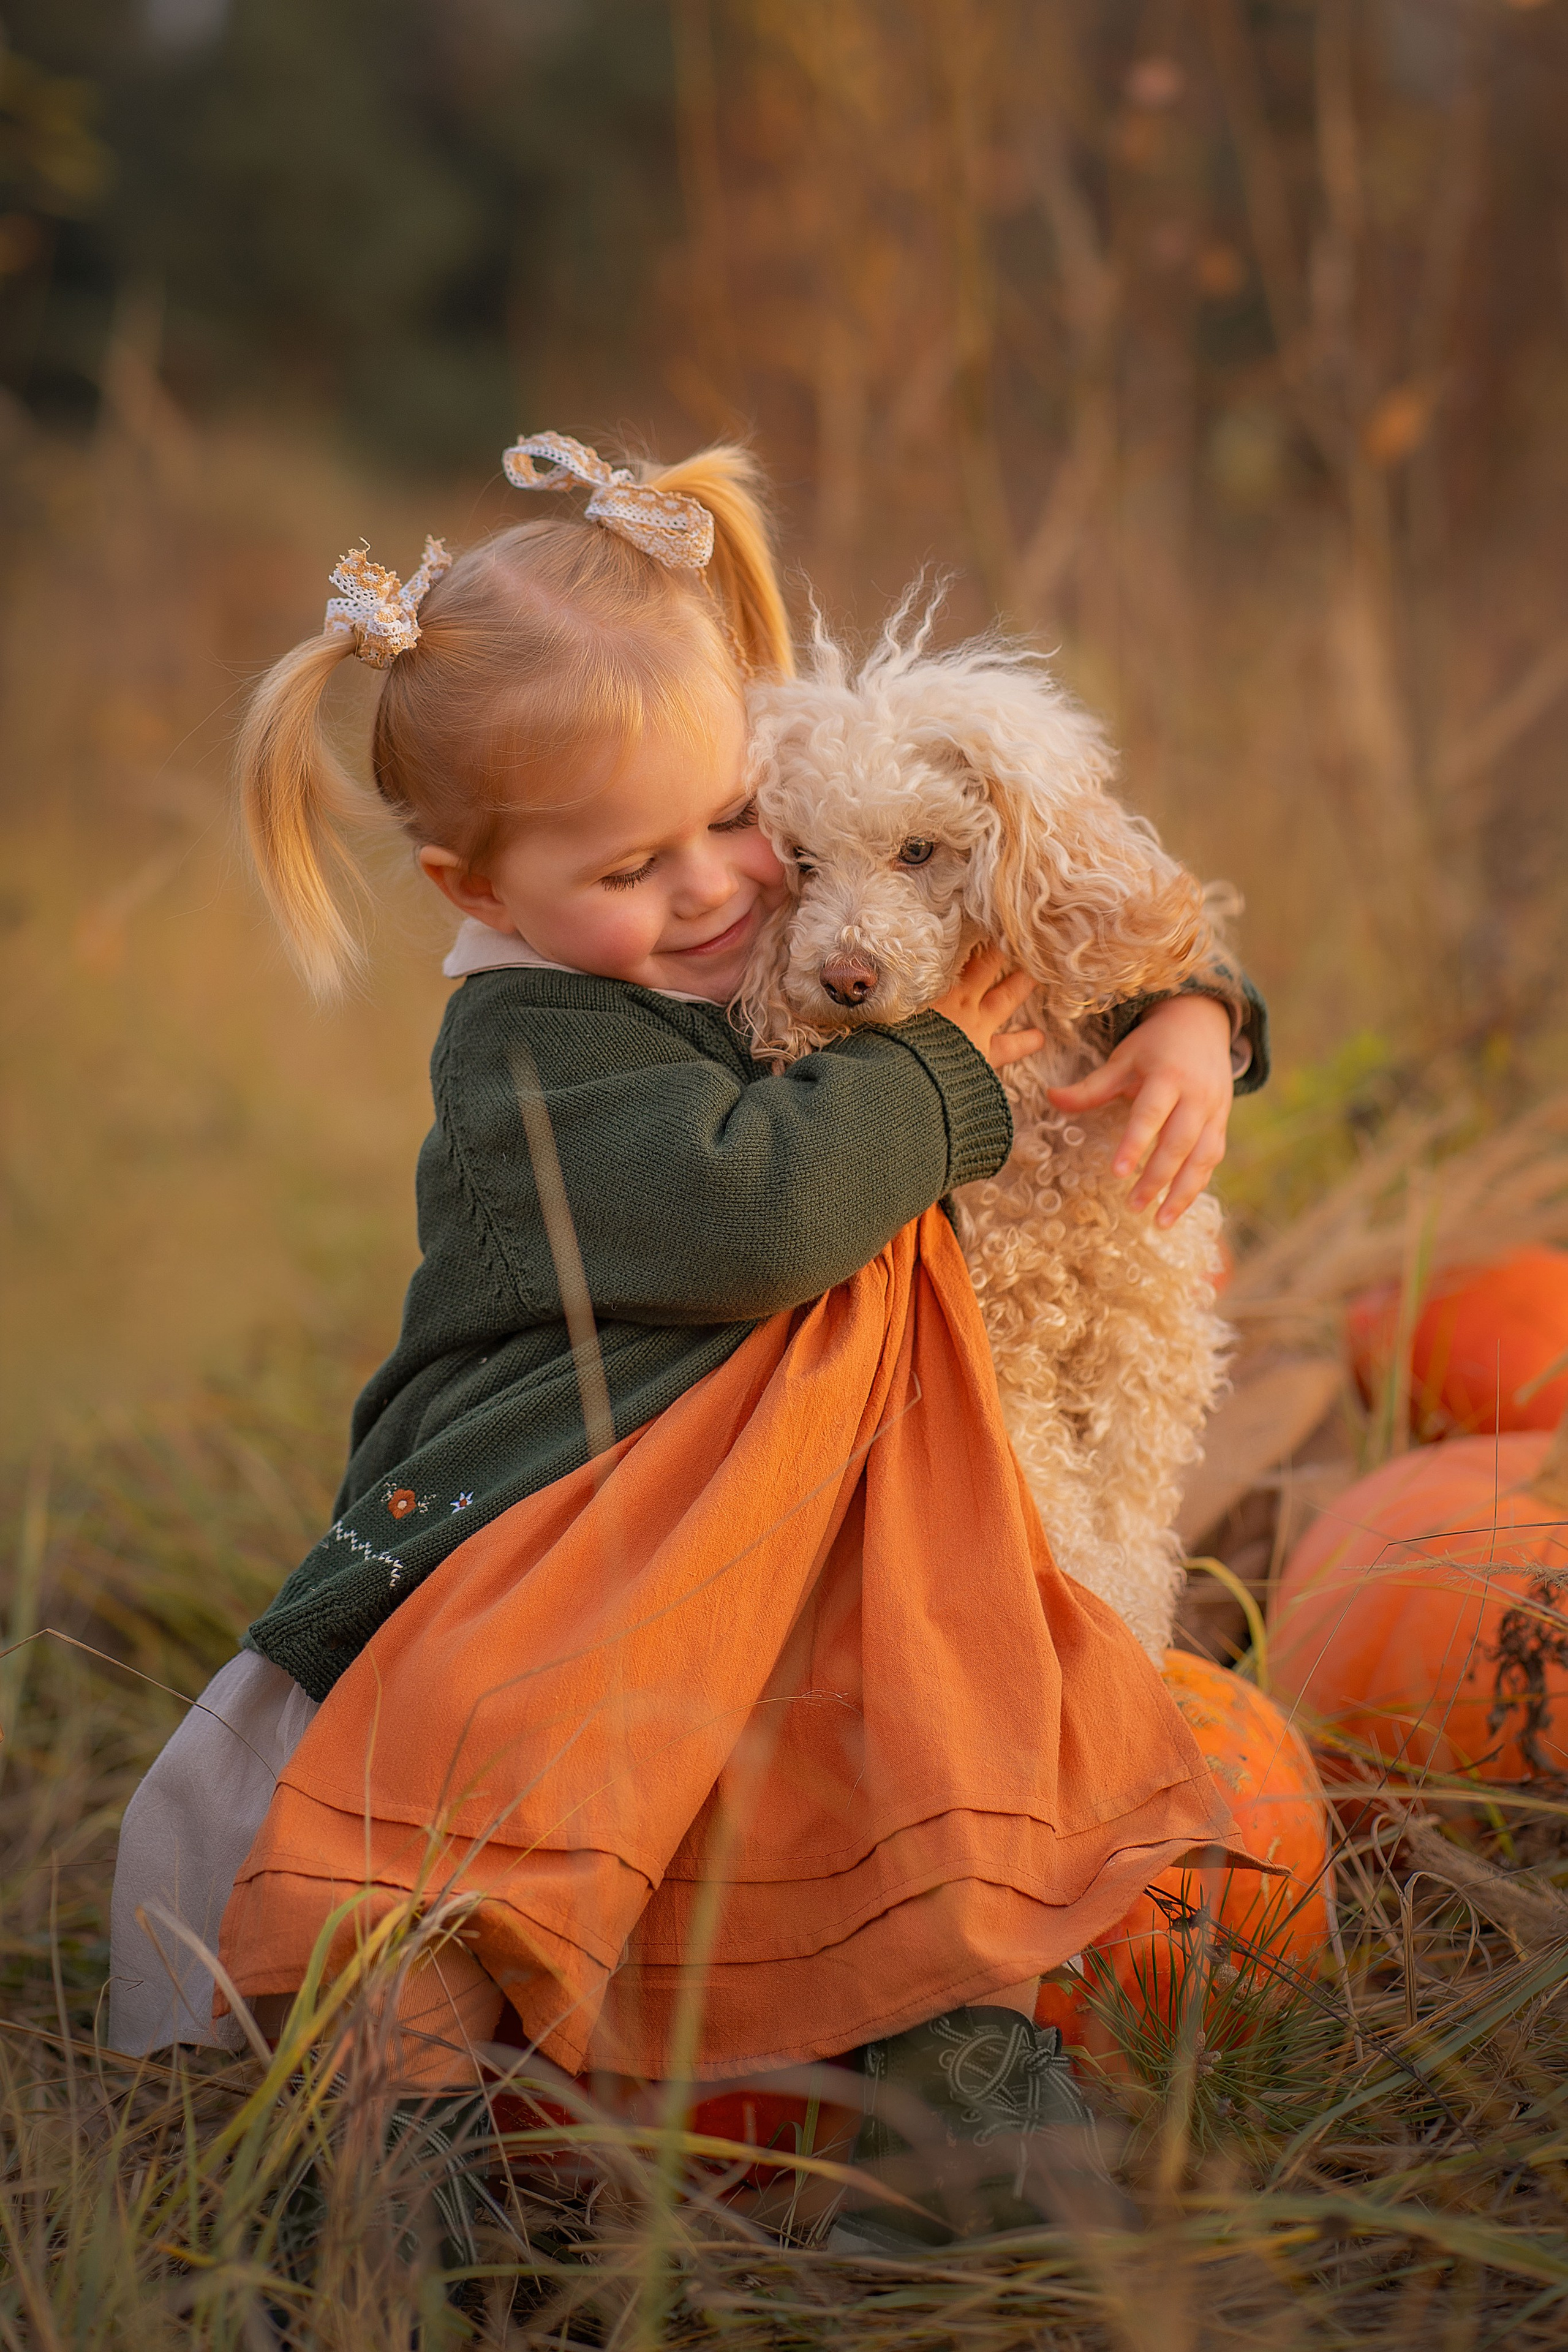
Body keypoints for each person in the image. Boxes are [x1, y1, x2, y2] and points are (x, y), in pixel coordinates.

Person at [108, 431, 1265, 2249]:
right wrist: (955, 1059)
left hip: (759, 1498)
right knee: (490, 1814)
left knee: (934, 1734)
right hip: (549, 1512)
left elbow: (1039, 920)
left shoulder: (756, 905)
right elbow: (764, 1212)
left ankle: (960, 2115)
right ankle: (388, 2175)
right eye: (639, 865)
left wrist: (1193, 1013)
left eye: (736, 820)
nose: (726, 891)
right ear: (473, 894)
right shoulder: (534, 1051)